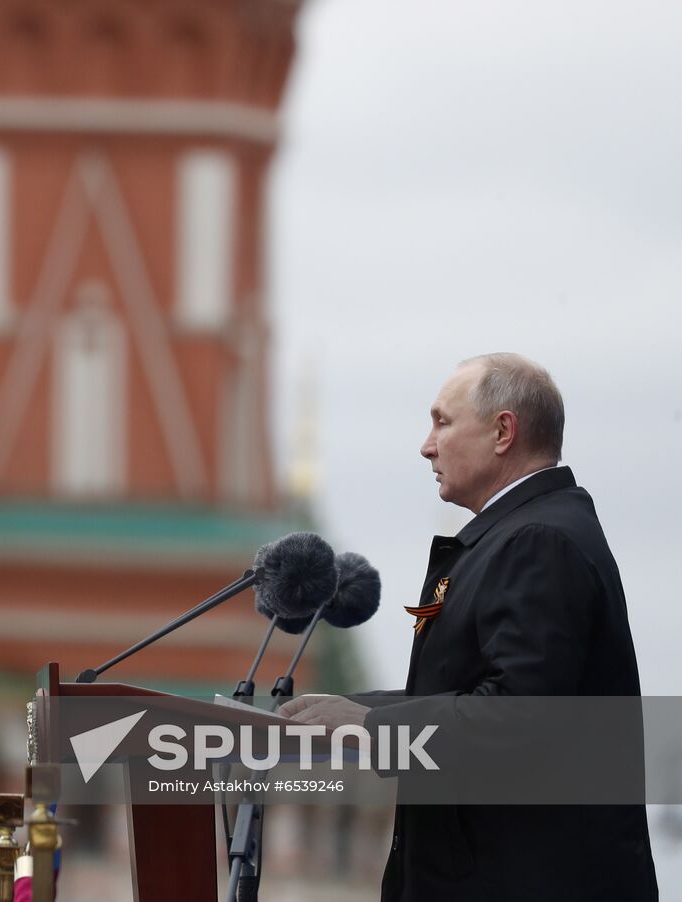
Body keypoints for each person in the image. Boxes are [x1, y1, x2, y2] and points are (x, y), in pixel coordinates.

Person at [280, 353, 657, 901]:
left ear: (504, 431)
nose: (426, 445)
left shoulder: (538, 542)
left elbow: (519, 716)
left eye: (442, 421)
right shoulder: (520, 534)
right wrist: (346, 711)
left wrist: (370, 726)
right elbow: (465, 696)